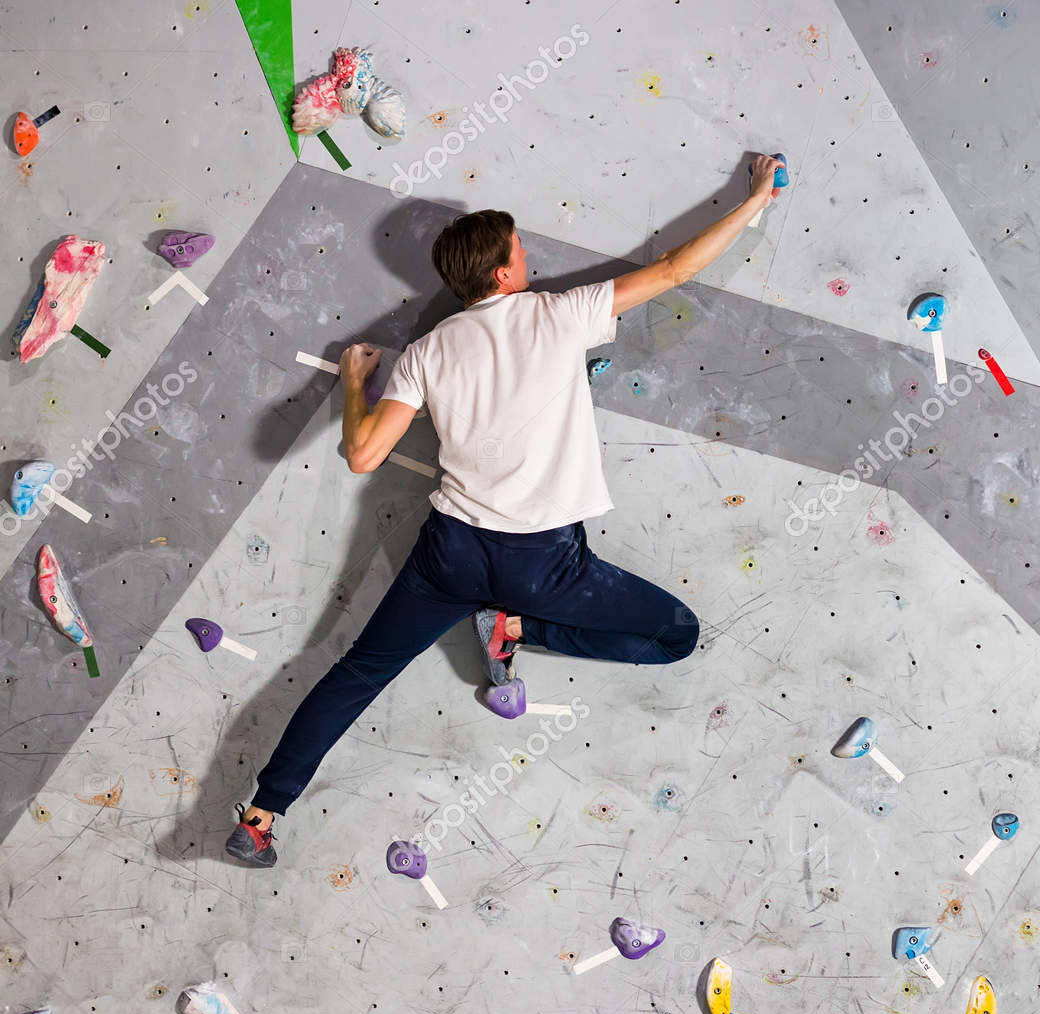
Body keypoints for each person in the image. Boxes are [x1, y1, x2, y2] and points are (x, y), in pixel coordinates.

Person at [227, 155, 786, 867]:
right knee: (678, 634)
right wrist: (757, 199)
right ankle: (520, 626)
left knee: (356, 672)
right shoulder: (558, 314)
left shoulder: (428, 351)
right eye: (522, 250)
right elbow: (675, 270)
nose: (530, 257)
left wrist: (354, 382)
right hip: (543, 564)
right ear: (502, 274)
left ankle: (262, 813)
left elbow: (363, 455)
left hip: (449, 553)